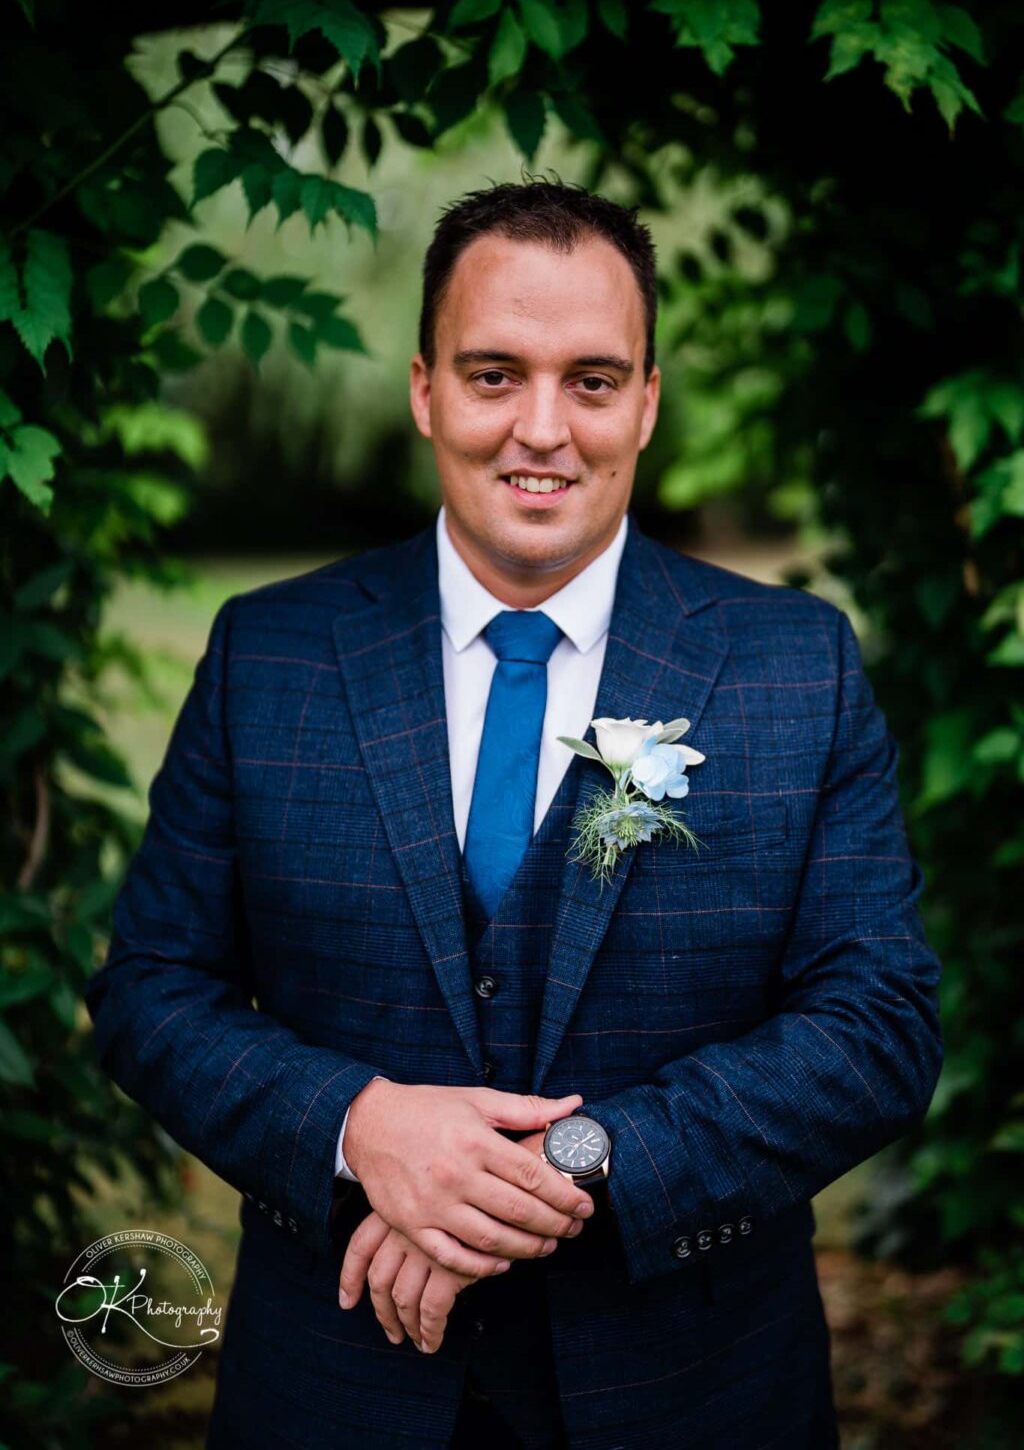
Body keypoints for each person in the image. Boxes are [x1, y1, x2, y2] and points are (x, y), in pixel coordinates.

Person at [85, 178, 943, 1450]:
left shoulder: (793, 665)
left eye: (592, 380)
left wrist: (582, 1158)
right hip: (336, 1390)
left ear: (646, 402)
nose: (542, 428)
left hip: (692, 1396)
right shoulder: (268, 655)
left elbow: (874, 1025)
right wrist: (355, 1125)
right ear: (426, 387)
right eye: (495, 374)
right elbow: (152, 991)